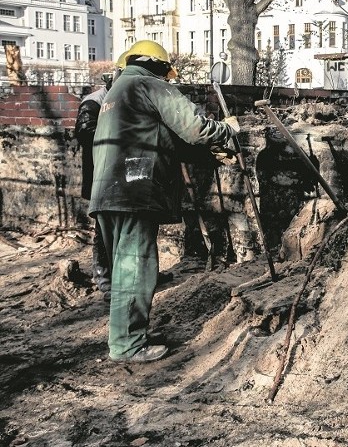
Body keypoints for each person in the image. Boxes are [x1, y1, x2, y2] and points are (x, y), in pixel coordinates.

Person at [89, 40, 239, 363]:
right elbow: (194, 127)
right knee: (136, 267)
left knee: (123, 270)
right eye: (168, 74)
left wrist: (206, 155)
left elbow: (164, 139)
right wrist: (226, 131)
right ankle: (127, 345)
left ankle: (125, 335)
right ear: (158, 66)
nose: (170, 80)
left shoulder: (116, 93)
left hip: (106, 191)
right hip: (133, 189)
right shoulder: (149, 84)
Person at [75, 73, 115, 300]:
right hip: (100, 174)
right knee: (104, 228)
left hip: (115, 173)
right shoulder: (94, 102)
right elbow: (85, 132)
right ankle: (104, 277)